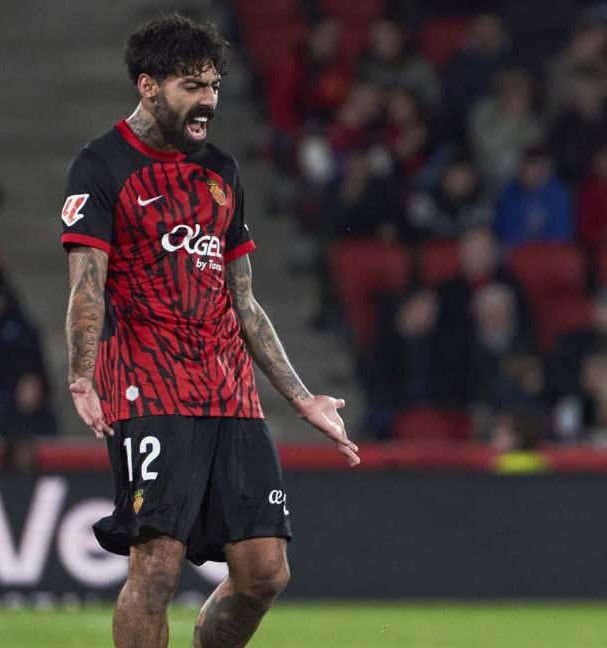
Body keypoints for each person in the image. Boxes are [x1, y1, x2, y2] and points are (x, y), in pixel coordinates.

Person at [58, 16, 359, 648]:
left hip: (229, 391)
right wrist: (81, 375)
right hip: (148, 383)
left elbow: (245, 300)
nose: (210, 101)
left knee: (263, 574)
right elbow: (87, 285)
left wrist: (301, 399)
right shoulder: (101, 165)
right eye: (193, 86)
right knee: (157, 564)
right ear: (148, 86)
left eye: (215, 85)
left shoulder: (221, 170)